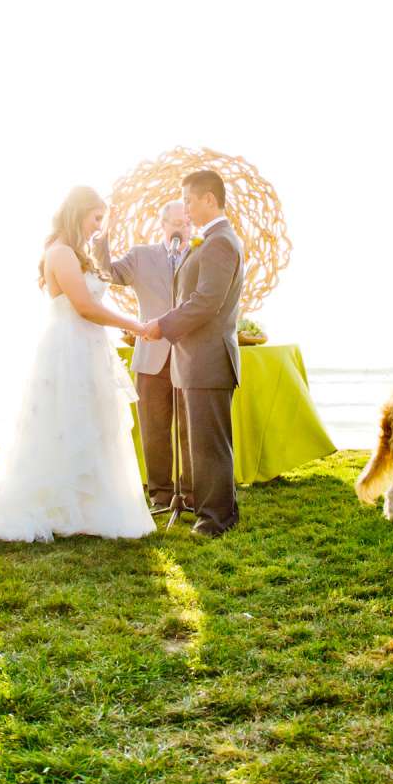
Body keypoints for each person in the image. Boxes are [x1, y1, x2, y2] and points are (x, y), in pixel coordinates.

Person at [0, 185, 152, 543]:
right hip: (68, 350)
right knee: (63, 423)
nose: (98, 227)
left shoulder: (76, 253)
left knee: (90, 422)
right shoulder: (61, 253)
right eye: (96, 218)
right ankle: (57, 504)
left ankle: (86, 507)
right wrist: (136, 326)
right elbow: (84, 306)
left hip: (88, 347)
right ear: (78, 213)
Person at [141, 169, 246, 537]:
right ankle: (210, 506)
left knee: (209, 444)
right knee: (197, 441)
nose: (185, 208)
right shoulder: (213, 239)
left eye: (188, 199)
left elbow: (206, 302)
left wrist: (163, 325)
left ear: (209, 199)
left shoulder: (219, 242)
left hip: (208, 359)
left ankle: (216, 518)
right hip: (195, 359)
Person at [94, 198, 193, 514]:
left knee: (190, 430)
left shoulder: (202, 255)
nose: (181, 228)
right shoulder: (141, 256)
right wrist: (102, 237)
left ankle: (190, 493)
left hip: (190, 357)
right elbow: (106, 272)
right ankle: (160, 495)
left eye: (187, 223)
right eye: (176, 223)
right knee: (153, 428)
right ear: (163, 225)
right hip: (152, 356)